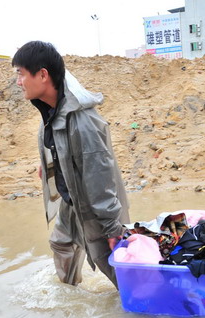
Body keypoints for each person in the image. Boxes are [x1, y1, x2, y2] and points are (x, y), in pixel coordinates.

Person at [12, 41, 129, 287]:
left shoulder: (82, 120)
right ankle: (69, 293)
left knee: (116, 268)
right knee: (61, 243)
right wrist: (52, 164)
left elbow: (100, 176)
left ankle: (146, 312)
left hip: (93, 205)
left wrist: (112, 228)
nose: (18, 82)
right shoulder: (52, 111)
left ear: (42, 74)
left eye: (20, 74)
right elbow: (62, 147)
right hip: (71, 199)